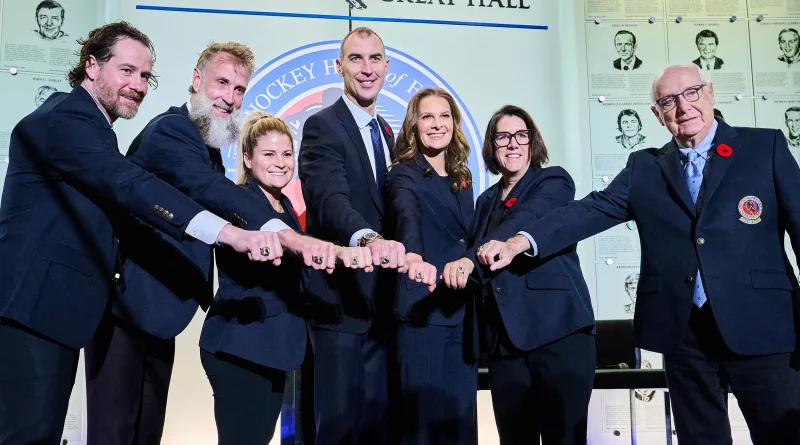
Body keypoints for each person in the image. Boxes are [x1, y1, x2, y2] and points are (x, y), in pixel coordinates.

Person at [480, 64, 800, 444]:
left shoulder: (765, 147)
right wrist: (521, 241)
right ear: (657, 113)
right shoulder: (644, 167)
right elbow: (589, 210)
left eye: (691, 93)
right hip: (684, 334)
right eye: (668, 100)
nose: (683, 107)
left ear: (710, 92)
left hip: (765, 327)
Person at [0, 21, 281, 445]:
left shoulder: (95, 128)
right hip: (33, 306)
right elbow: (128, 184)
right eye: (127, 71)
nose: (138, 85)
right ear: (91, 66)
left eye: (146, 75)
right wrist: (229, 233)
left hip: (57, 309)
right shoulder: (66, 117)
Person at [84, 42, 337, 445]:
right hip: (124, 305)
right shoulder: (171, 131)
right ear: (197, 80)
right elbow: (211, 190)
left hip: (159, 310)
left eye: (239, 90)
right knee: (114, 432)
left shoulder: (209, 149)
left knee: (145, 432)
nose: (230, 97)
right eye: (222, 83)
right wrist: (287, 236)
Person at [199, 111, 373, 445]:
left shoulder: (285, 206)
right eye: (269, 154)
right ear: (248, 159)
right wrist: (340, 253)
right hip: (241, 347)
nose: (280, 163)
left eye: (286, 154)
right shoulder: (244, 201)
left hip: (272, 347)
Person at [447, 105, 595, 444]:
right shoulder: (484, 201)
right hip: (505, 347)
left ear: (532, 143)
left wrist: (470, 260)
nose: (512, 144)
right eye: (502, 137)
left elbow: (523, 222)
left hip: (559, 335)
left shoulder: (553, 181)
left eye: (520, 136)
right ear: (491, 146)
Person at [298, 26, 407, 444]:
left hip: (383, 303)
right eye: (356, 59)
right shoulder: (323, 126)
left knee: (377, 428)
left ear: (387, 67)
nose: (366, 69)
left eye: (375, 59)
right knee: (339, 429)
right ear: (338, 66)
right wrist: (366, 238)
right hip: (339, 304)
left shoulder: (386, 131)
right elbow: (329, 199)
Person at [384, 88, 477, 444]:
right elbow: (405, 214)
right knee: (422, 427)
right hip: (423, 311)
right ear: (414, 124)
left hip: (462, 316)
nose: (437, 124)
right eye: (427, 117)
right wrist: (413, 256)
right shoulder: (403, 174)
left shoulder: (462, 176)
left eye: (444, 116)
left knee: (461, 424)